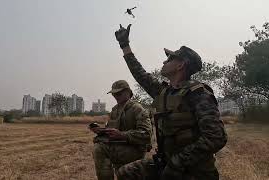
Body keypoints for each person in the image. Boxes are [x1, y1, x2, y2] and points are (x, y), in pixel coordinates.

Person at [114, 24, 228, 180]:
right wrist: (125, 46)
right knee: (126, 173)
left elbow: (216, 137)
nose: (164, 61)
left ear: (181, 65)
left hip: (194, 171)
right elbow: (140, 74)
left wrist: (178, 162)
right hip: (167, 163)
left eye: (169, 58)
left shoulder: (198, 94)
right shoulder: (164, 92)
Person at [89, 80, 152, 180]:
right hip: (119, 146)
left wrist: (122, 135)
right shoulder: (115, 110)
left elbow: (146, 135)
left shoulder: (137, 109)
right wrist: (101, 131)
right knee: (99, 147)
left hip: (134, 149)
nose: (116, 96)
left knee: (99, 149)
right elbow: (112, 131)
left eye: (118, 93)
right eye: (114, 94)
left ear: (128, 92)